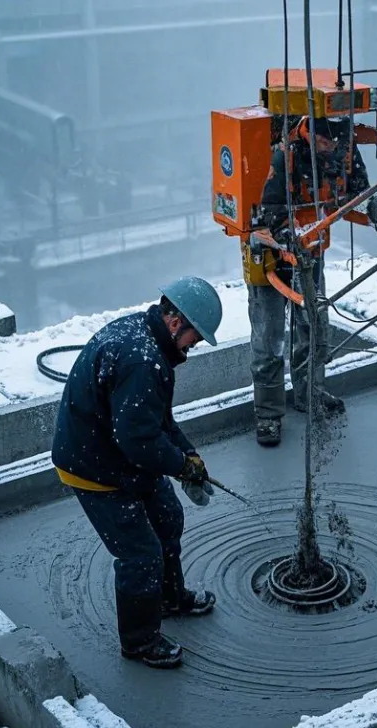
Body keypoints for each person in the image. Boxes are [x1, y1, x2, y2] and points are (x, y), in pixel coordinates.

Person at [50, 276, 223, 669]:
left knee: (168, 517)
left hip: (118, 451)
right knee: (140, 555)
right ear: (177, 321)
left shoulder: (149, 340)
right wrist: (181, 467)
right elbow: (139, 442)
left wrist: (188, 454)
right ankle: (139, 642)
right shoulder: (142, 360)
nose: (194, 347)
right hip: (93, 466)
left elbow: (156, 420)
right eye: (196, 337)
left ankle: (169, 598)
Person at [249, 115, 377, 446]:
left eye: (337, 142)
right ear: (309, 132)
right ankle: (268, 415)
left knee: (314, 323)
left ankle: (309, 393)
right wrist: (286, 236)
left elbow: (357, 192)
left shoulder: (344, 150)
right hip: (269, 248)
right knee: (269, 333)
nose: (331, 148)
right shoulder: (286, 155)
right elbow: (272, 206)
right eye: (324, 142)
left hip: (311, 247)